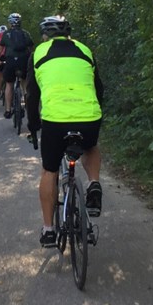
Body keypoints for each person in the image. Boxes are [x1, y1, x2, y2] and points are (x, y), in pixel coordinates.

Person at [25, 16, 104, 247]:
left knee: (50, 169)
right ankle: (93, 183)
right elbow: (99, 88)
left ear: (45, 35)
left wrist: (33, 126)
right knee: (90, 146)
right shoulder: (85, 50)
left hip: (55, 120)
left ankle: (49, 230)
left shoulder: (39, 53)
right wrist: (95, 116)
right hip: (89, 115)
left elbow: (32, 95)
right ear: (69, 34)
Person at [0, 13, 34, 120]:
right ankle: (28, 105)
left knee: (9, 84)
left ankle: (8, 110)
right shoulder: (26, 34)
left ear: (10, 23)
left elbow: (0, 49)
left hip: (10, 61)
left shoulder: (6, 34)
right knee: (25, 84)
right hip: (23, 61)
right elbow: (31, 50)